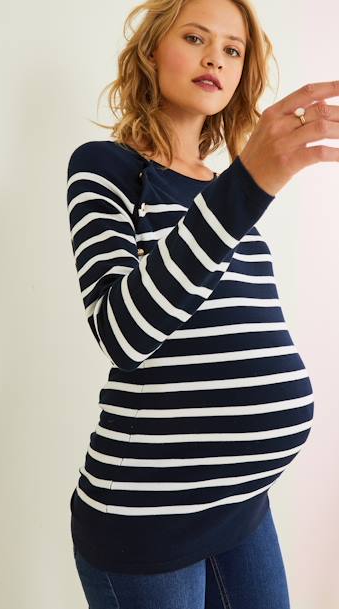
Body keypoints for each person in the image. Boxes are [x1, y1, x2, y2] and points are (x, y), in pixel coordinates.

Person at [65, 0, 339, 606]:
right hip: (147, 518)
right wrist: (248, 187)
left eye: (232, 49)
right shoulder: (104, 168)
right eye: (195, 37)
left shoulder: (224, 189)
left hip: (241, 503)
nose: (215, 55)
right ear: (152, 51)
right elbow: (124, 333)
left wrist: (239, 188)